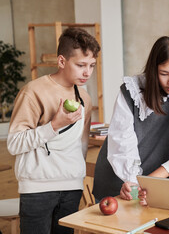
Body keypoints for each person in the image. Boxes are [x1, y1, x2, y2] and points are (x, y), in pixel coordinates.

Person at [7, 27, 100, 234]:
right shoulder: (33, 92)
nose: (87, 72)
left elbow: (82, 145)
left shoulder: (84, 98)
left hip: (72, 187)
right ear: (61, 61)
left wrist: (77, 175)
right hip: (37, 189)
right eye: (80, 65)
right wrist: (54, 125)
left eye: (92, 65)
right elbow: (14, 144)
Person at [92, 36, 169, 201]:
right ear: (153, 70)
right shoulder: (133, 91)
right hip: (122, 180)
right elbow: (122, 142)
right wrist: (133, 181)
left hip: (159, 181)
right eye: (164, 74)